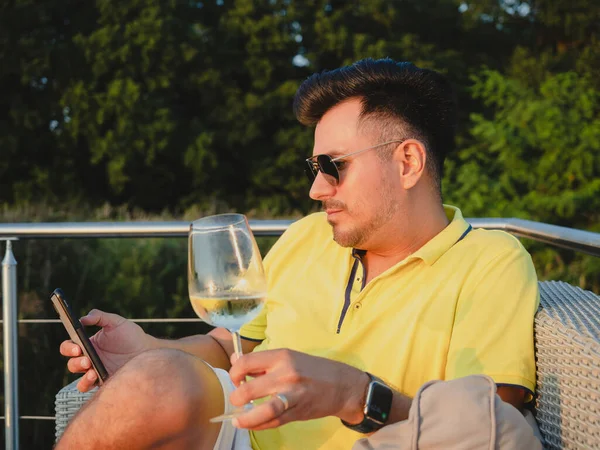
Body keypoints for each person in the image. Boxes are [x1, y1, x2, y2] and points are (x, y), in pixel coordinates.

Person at [57, 58, 542, 450]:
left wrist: (354, 393)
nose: (315, 188)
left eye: (334, 166)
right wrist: (151, 351)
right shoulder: (309, 236)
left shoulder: (490, 261)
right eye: (314, 166)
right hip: (244, 435)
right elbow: (233, 346)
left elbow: (484, 429)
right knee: (155, 379)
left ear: (408, 161)